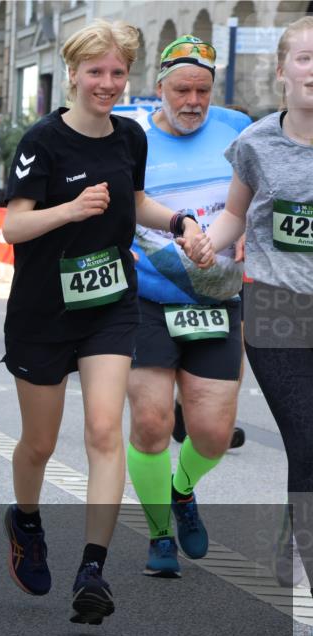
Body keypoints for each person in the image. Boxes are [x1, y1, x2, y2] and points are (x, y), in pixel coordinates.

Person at [0, 20, 205, 625]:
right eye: (96, 72)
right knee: (39, 443)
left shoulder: (129, 137)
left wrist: (179, 223)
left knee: (102, 432)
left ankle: (93, 568)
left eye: (117, 73)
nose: (108, 83)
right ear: (73, 73)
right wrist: (69, 209)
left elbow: (135, 199)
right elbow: (12, 227)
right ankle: (26, 521)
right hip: (42, 310)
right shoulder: (42, 140)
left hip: (110, 304)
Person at [180, 16, 313, 625]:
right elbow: (235, 216)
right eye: (306, 59)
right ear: (282, 69)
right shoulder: (257, 142)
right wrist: (207, 243)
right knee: (306, 436)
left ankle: (296, 521)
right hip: (278, 305)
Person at [123, 35, 253, 579]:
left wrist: (253, 232)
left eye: (202, 88)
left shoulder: (238, 127)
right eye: (182, 89)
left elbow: (261, 194)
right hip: (148, 298)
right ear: (160, 89)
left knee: (211, 435)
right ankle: (158, 537)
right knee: (152, 423)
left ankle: (182, 491)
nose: (193, 99)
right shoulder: (133, 136)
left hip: (218, 298)